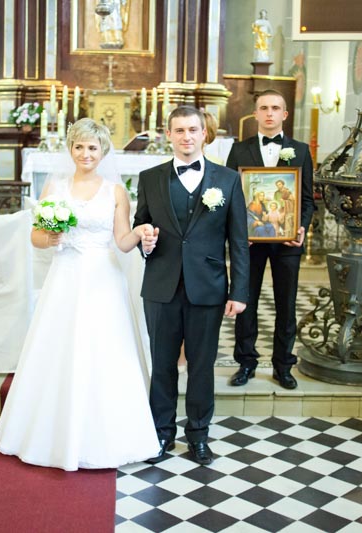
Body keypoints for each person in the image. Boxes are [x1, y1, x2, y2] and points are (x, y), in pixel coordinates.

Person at [0, 118, 158, 471]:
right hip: (65, 275)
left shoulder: (116, 191)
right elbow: (36, 236)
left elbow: (122, 242)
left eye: (92, 148)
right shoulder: (56, 186)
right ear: (70, 149)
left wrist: (141, 232)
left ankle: (111, 436)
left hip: (103, 278)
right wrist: (49, 237)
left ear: (103, 151)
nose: (86, 154)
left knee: (105, 349)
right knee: (60, 346)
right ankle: (51, 436)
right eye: (79, 147)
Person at [134, 106, 249, 465]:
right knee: (162, 364)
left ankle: (198, 434)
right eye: (179, 130)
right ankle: (162, 433)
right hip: (161, 285)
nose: (186, 136)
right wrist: (144, 243)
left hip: (208, 287)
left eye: (193, 130)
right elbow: (141, 227)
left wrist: (239, 292)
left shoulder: (227, 179)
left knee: (202, 365)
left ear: (204, 134)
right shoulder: (150, 178)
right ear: (168, 135)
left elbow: (239, 240)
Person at [226, 89, 316, 390]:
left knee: (286, 304)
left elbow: (307, 200)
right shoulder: (239, 150)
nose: (269, 113)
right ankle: (246, 363)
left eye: (275, 108)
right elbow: (230, 197)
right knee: (245, 301)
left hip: (287, 242)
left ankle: (283, 366)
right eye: (263, 108)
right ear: (255, 113)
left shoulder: (300, 150)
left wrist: (301, 227)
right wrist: (238, 231)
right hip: (248, 242)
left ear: (284, 114)